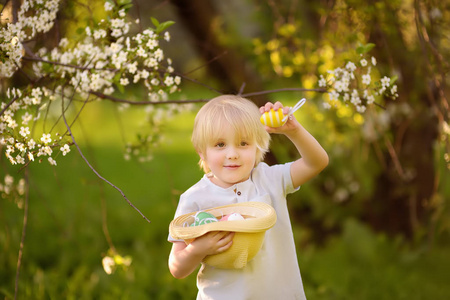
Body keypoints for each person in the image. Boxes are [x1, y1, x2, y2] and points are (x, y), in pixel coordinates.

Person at [168, 94, 328, 299]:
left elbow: (317, 162)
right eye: (220, 145)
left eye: (243, 143)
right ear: (202, 152)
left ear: (258, 146)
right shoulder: (195, 199)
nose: (232, 154)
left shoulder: (269, 179)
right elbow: (177, 268)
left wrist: (294, 131)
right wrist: (198, 250)